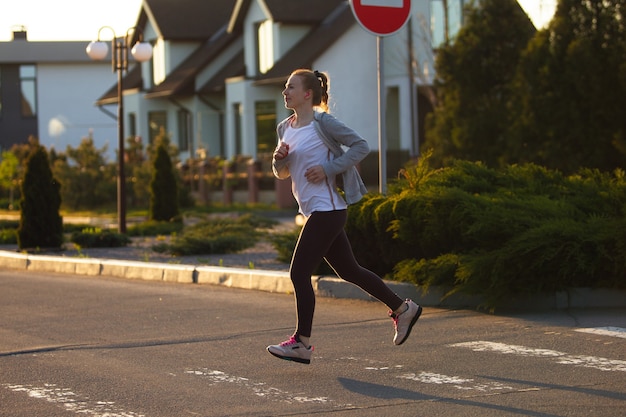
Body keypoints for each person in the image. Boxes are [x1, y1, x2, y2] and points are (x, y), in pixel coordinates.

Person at [267, 69, 422, 365]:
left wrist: (328, 169)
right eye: (285, 88)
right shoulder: (284, 127)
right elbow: (282, 172)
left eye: (290, 87)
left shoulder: (323, 123)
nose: (285, 92)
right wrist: (279, 159)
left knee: (298, 273)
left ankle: (302, 342)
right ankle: (403, 309)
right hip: (317, 210)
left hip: (329, 209)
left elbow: (360, 146)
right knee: (349, 270)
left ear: (307, 94)